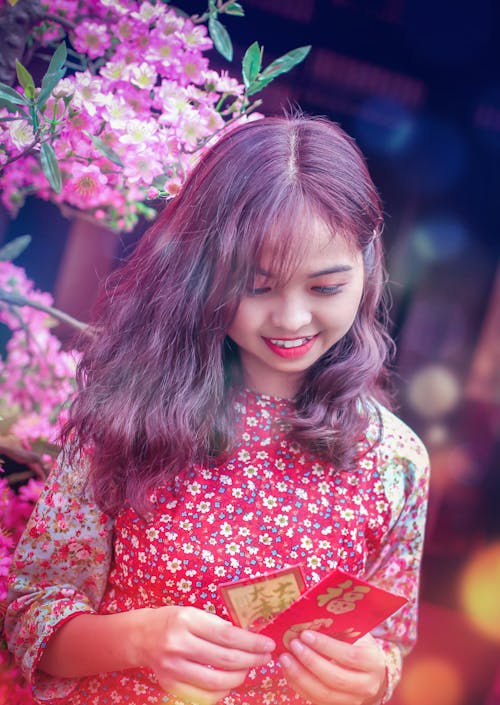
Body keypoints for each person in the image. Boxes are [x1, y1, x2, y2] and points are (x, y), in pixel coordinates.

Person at [4, 114, 430, 705]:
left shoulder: (395, 458)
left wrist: (373, 677)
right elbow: (30, 617)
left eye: (325, 287)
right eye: (256, 287)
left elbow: (390, 642)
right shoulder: (129, 412)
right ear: (202, 274)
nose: (291, 320)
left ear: (367, 265)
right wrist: (137, 638)